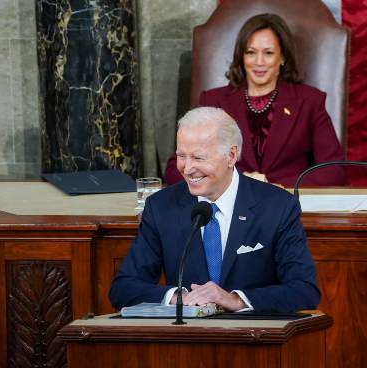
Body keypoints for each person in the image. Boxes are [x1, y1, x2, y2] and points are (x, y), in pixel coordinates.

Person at [110, 107, 320, 313]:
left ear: (231, 155)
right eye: (182, 156)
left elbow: (304, 290)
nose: (187, 168)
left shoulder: (277, 206)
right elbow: (123, 289)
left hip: (255, 339)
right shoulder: (161, 207)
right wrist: (178, 298)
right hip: (186, 340)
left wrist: (235, 300)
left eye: (199, 158)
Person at [164, 13, 346, 186]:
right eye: (251, 52)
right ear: (242, 57)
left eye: (268, 53)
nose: (259, 62)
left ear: (282, 57)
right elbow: (175, 169)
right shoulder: (213, 100)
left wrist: (274, 186)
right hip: (229, 204)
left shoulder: (309, 101)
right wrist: (233, 183)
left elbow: (335, 170)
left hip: (287, 202)